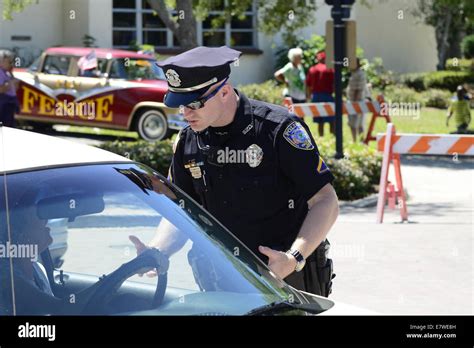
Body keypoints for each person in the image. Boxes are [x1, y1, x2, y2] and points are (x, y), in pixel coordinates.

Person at [130, 46, 339, 297]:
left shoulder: (278, 129)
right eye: (180, 105)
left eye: (194, 104)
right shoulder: (188, 141)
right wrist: (158, 250)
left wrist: (293, 257)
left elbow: (326, 201)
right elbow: (184, 209)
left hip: (284, 280)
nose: (186, 113)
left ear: (225, 92)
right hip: (219, 285)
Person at [306, 51, 335, 137]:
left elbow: (308, 85)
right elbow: (334, 84)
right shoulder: (330, 69)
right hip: (327, 96)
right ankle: (332, 137)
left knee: (320, 121)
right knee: (331, 120)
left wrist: (309, 96)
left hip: (316, 96)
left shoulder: (312, 69)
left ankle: (321, 137)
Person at [346, 58, 371, 142]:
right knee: (356, 124)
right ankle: (357, 141)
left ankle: (358, 141)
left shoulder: (360, 74)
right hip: (355, 101)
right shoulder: (354, 73)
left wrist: (354, 103)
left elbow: (358, 89)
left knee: (356, 124)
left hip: (357, 102)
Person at [0, 50, 20, 128]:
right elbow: (1, 89)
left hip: (9, 104)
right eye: (9, 62)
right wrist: (11, 83)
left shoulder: (6, 72)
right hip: (4, 104)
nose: (11, 64)